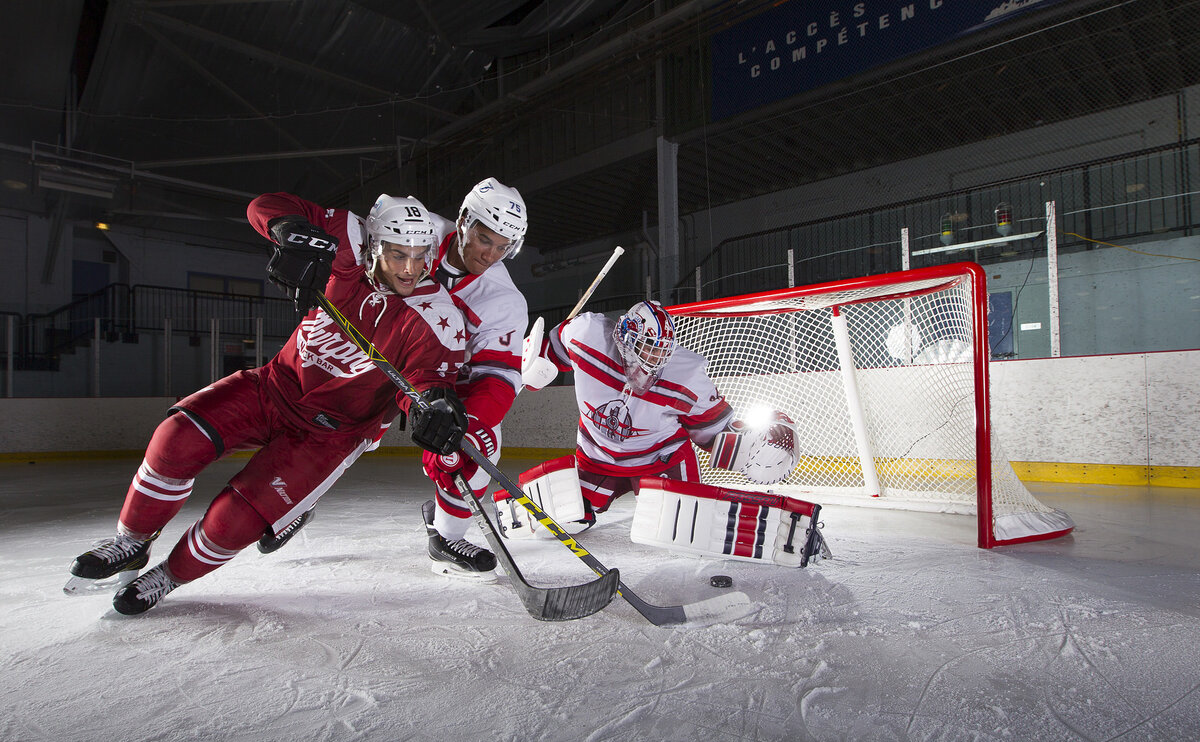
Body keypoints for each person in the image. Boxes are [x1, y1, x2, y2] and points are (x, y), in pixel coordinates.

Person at [64, 192, 469, 614]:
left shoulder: (436, 315)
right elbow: (264, 205)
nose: (410, 268)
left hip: (328, 436)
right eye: (398, 254)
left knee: (234, 521)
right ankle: (131, 542)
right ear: (372, 246)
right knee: (175, 438)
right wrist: (291, 231)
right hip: (273, 387)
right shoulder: (348, 238)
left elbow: (425, 381)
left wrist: (433, 404)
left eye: (421, 255)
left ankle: (168, 576)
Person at [516, 300, 798, 523]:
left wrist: (748, 449)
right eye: (649, 348)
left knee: (684, 523)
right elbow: (550, 350)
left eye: (663, 351)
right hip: (596, 458)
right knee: (563, 516)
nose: (656, 360)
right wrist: (531, 361)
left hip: (660, 461)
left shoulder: (686, 375)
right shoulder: (585, 334)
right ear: (624, 337)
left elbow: (710, 430)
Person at [415, 177, 531, 581]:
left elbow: (499, 378)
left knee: (484, 444)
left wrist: (472, 423)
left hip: (441, 381)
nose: (492, 255)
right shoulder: (417, 229)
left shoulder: (503, 298)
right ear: (464, 220)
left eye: (504, 247)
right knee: (335, 429)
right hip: (376, 347)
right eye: (486, 239)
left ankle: (445, 537)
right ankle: (296, 500)